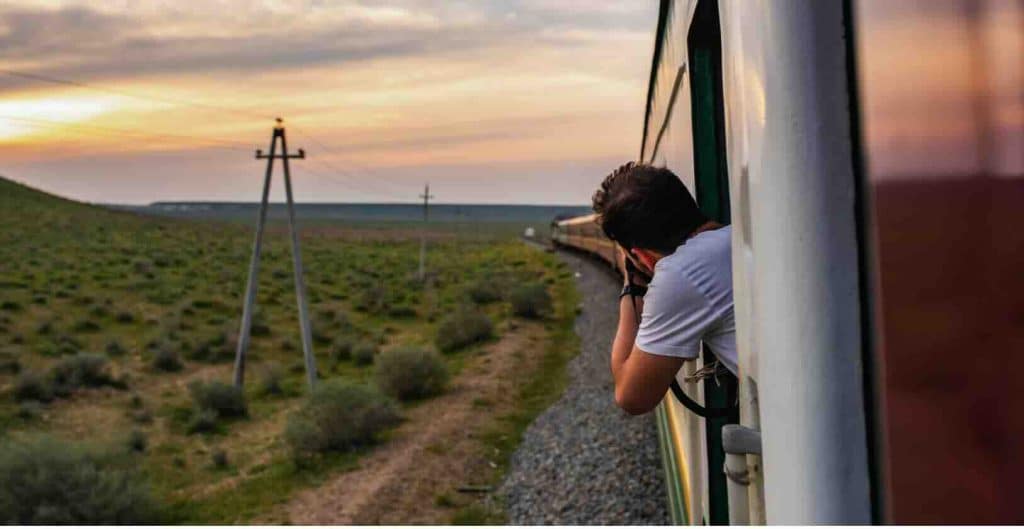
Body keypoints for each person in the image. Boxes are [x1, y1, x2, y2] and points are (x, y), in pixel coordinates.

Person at [592, 162, 737, 416]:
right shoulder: (738, 239)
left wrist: (632, 288)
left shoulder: (681, 274)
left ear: (643, 258)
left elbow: (631, 396)